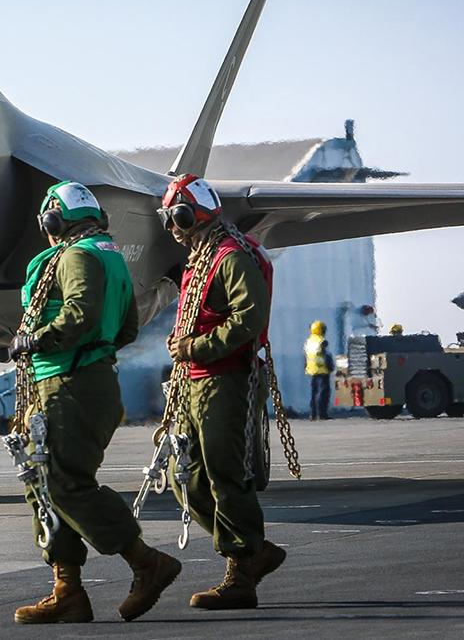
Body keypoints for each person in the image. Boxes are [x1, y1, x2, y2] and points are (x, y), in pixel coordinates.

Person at [10, 180, 181, 624]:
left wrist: (34, 340)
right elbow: (127, 327)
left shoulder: (77, 256)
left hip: (69, 383)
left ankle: (146, 561)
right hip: (89, 380)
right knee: (46, 483)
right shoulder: (111, 257)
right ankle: (67, 590)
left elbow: (79, 315)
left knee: (66, 484)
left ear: (53, 220)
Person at [158, 173, 286, 610]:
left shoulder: (229, 257)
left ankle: (240, 574)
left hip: (224, 381)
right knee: (188, 479)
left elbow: (248, 320)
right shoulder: (200, 258)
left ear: (186, 215)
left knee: (225, 477)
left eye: (173, 218)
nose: (171, 228)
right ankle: (252, 550)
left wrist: (195, 346)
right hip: (194, 382)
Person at [304, 321, 334, 420]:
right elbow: (325, 356)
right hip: (322, 370)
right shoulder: (322, 341)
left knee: (314, 394)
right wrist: (330, 367)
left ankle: (312, 414)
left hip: (312, 370)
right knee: (323, 393)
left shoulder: (308, 341)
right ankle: (322, 414)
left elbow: (306, 356)